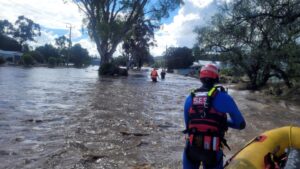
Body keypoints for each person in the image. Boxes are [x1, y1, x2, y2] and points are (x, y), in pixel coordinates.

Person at [182, 64, 246, 169]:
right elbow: (241, 124)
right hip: (212, 149)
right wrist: (223, 121)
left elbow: (188, 125)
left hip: (192, 148)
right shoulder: (225, 97)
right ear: (216, 78)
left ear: (200, 78)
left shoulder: (190, 97)